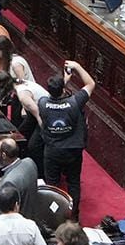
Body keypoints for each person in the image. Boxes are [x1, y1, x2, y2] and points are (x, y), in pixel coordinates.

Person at [36, 60, 94, 208]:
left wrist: (63, 84)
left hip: (52, 150)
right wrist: (77, 66)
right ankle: (74, 216)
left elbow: (55, 98)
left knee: (52, 186)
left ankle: (53, 217)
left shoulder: (42, 103)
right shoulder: (75, 102)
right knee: (73, 183)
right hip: (73, 150)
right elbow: (90, 84)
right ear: (63, 89)